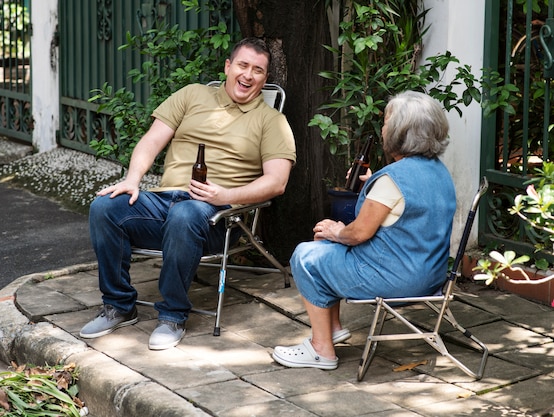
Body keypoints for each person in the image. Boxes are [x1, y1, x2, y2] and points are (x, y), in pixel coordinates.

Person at [80, 37, 297, 350]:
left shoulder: (272, 121)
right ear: (228, 66)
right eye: (243, 65)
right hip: (164, 203)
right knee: (105, 206)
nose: (248, 75)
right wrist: (132, 179)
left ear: (265, 79)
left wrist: (225, 195)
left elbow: (277, 182)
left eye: (258, 71)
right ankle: (119, 306)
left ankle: (172, 315)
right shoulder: (193, 94)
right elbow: (152, 140)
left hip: (216, 219)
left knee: (186, 213)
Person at [272, 90, 456, 370]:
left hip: (395, 279)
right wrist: (373, 182)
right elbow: (407, 206)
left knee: (306, 255)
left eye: (386, 121)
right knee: (323, 248)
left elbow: (358, 234)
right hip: (430, 275)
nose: (382, 128)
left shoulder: (393, 180)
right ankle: (332, 328)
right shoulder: (438, 171)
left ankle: (322, 350)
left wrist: (336, 230)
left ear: (399, 131)